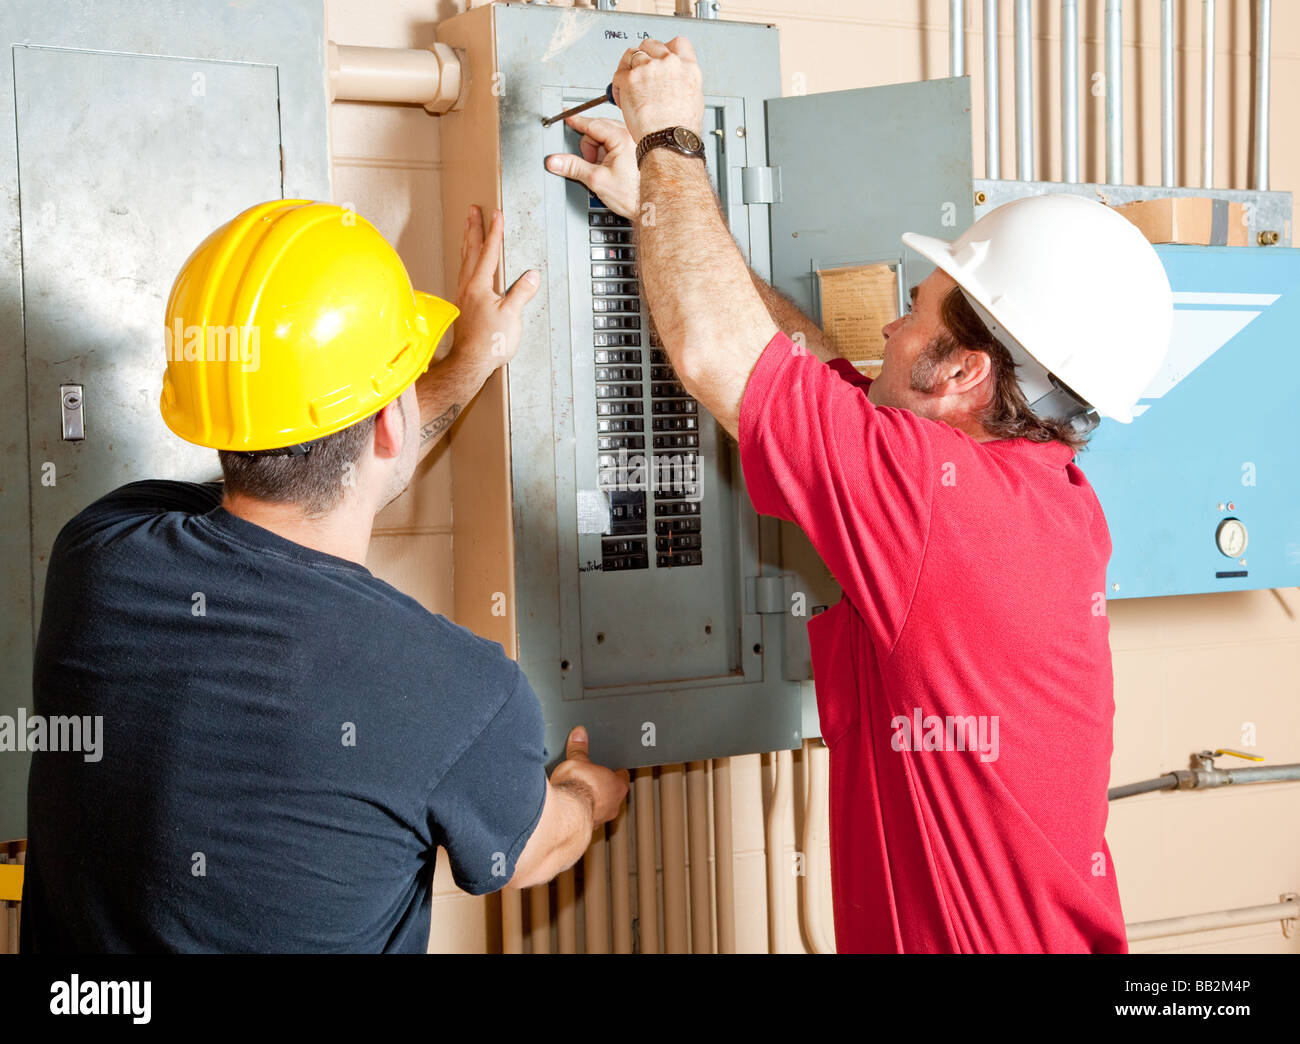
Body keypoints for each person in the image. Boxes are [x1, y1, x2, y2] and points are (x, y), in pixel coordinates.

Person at [545, 39, 1172, 953]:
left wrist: (669, 136)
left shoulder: (936, 503)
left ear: (963, 369)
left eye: (915, 307)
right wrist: (660, 218)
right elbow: (806, 370)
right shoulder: (1034, 493)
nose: (888, 321)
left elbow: (721, 356)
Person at [22, 200, 628, 952]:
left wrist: (465, 363)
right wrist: (587, 792)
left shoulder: (100, 553)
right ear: (387, 424)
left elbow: (298, 479)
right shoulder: (456, 689)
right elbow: (535, 848)